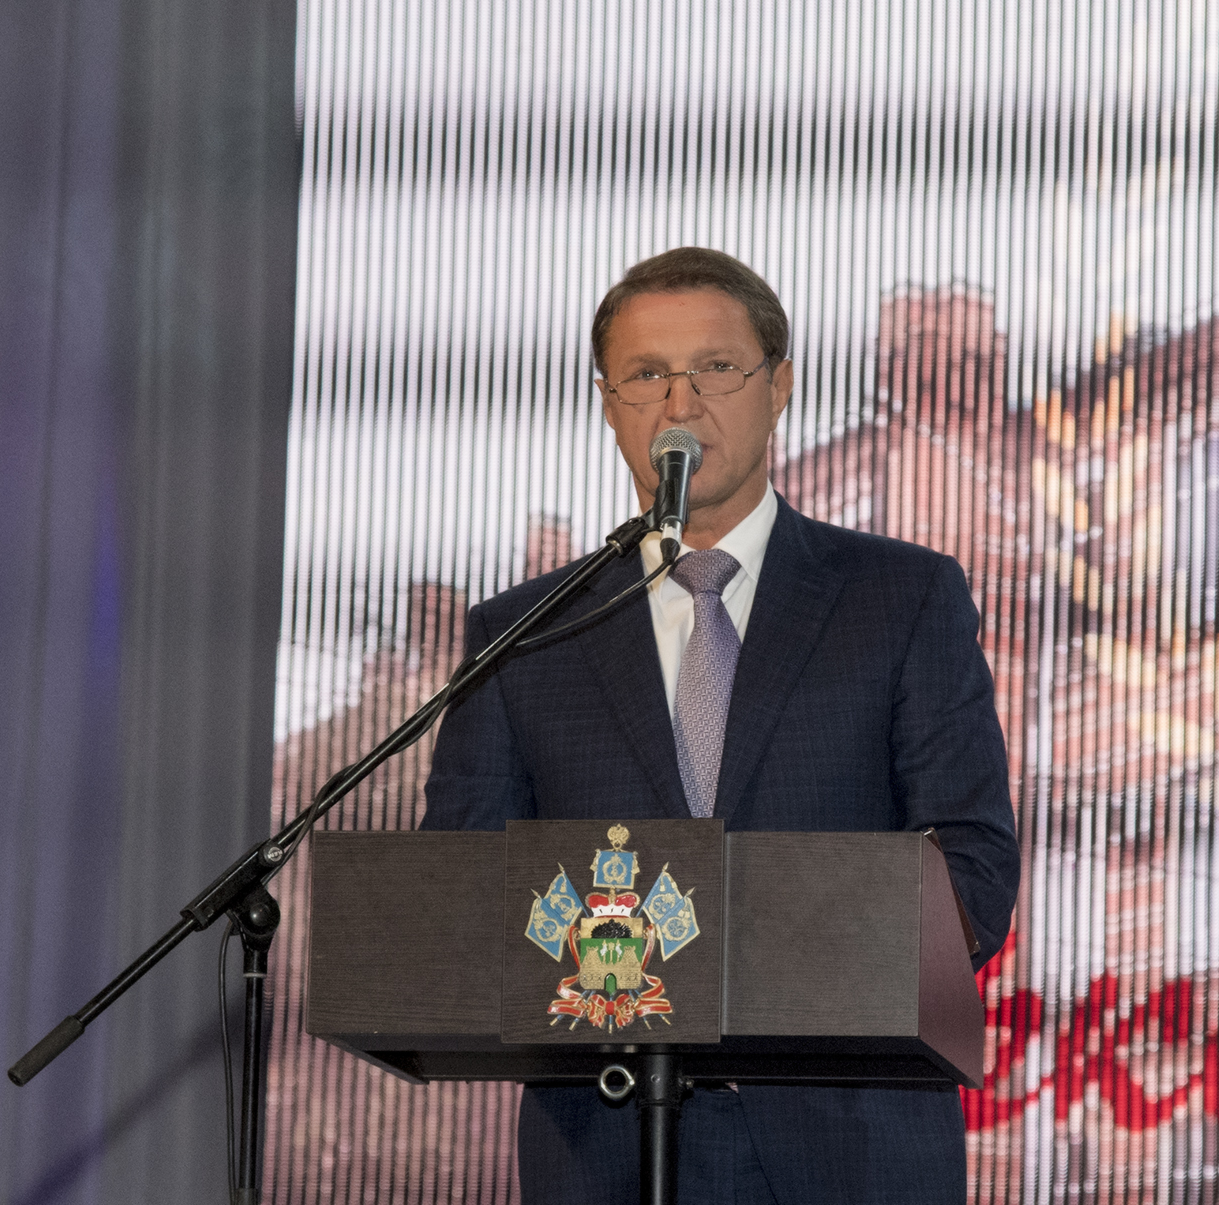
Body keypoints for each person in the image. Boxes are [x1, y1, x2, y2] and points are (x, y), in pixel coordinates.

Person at [422, 247, 1020, 1205]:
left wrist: (770, 955)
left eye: (715, 368)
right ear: (609, 403)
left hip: (855, 1148)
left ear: (780, 387)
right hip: (605, 1148)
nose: (680, 402)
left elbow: (975, 872)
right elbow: (461, 887)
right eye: (646, 374)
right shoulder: (525, 634)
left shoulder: (902, 598)